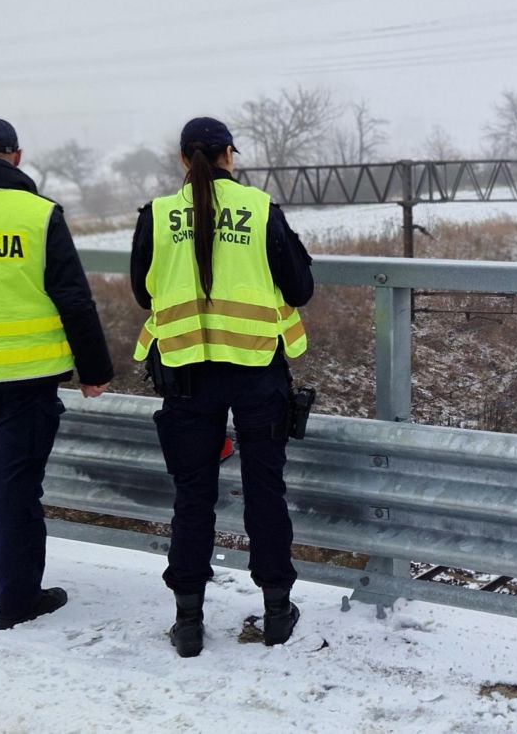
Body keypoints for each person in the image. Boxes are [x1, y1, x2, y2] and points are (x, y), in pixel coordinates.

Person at [130, 117, 313, 657]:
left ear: (183, 160)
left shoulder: (158, 216)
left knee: (193, 498)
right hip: (258, 372)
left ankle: (188, 623)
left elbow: (145, 294)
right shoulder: (261, 210)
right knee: (264, 492)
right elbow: (299, 287)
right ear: (230, 154)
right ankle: (277, 611)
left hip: (185, 374)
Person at [0, 116, 113, 630]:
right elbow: (75, 301)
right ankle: (16, 601)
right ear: (15, 157)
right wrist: (94, 369)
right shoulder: (39, 215)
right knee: (17, 489)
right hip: (27, 381)